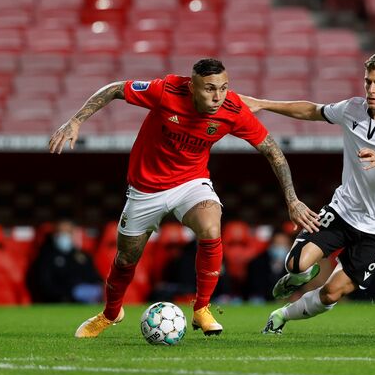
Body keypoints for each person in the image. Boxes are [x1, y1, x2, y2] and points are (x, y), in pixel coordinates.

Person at [49, 57, 319, 338]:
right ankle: (110, 313)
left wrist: (292, 200)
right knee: (126, 258)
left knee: (211, 227)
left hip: (191, 182)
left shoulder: (232, 110)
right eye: (209, 88)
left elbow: (272, 150)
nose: (217, 96)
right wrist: (75, 120)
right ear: (192, 87)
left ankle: (202, 308)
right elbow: (115, 88)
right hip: (145, 189)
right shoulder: (166, 91)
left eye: (223, 88)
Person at [241, 51, 375, 334]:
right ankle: (298, 276)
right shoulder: (352, 109)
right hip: (343, 211)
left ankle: (281, 315)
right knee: (295, 264)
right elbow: (311, 110)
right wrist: (262, 104)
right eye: (368, 82)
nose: (371, 89)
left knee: (331, 293)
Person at [28, 220, 103, 304]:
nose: (64, 236)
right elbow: (44, 284)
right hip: (59, 300)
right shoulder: (46, 257)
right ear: (55, 234)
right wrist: (67, 295)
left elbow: (95, 278)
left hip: (86, 301)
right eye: (61, 232)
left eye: (68, 232)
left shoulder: (83, 256)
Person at [244, 230, 292, 302]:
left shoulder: (295, 264)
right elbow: (255, 287)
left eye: (283, 244)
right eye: (277, 244)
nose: (280, 247)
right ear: (271, 245)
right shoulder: (257, 263)